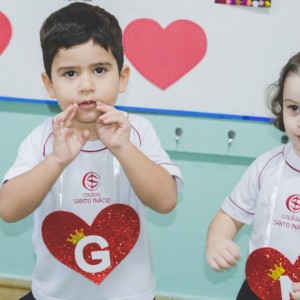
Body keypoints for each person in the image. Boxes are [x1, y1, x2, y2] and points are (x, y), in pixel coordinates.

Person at [0, 3, 184, 300]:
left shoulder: (137, 131)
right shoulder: (43, 138)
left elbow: (165, 201)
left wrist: (123, 148)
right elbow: (8, 210)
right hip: (54, 295)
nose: (86, 85)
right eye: (70, 73)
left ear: (122, 77)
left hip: (129, 295)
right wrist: (56, 160)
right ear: (49, 85)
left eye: (99, 70)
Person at [206, 51, 300, 300]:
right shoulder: (266, 166)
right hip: (260, 287)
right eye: (294, 108)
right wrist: (217, 240)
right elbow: (229, 215)